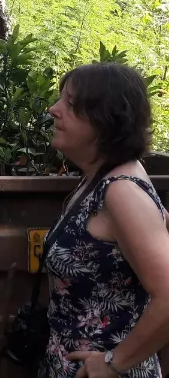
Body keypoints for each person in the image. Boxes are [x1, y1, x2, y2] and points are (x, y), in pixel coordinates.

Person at [41, 63, 169, 378]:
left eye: (70, 103)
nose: (53, 109)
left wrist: (115, 363)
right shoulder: (99, 178)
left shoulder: (121, 191)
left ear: (105, 119)